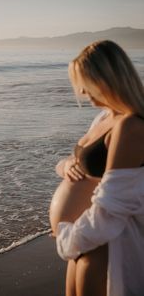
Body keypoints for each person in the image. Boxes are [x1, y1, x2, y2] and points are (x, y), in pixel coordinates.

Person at [49, 40, 144, 296]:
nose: (80, 91)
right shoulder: (105, 117)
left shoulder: (131, 127)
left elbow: (111, 210)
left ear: (109, 78)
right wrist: (68, 164)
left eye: (86, 83)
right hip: (85, 238)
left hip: (104, 244)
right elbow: (83, 162)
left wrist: (68, 237)